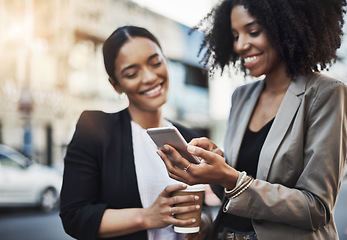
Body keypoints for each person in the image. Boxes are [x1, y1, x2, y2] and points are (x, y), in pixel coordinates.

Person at [158, 0, 347, 239]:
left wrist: (230, 177)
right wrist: (217, 167)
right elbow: (235, 193)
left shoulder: (325, 93)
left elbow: (317, 208)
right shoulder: (242, 97)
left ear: (285, 26)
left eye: (253, 32)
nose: (240, 45)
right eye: (235, 35)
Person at [59, 25, 204, 240]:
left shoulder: (190, 138)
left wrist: (202, 226)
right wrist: (147, 217)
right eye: (132, 73)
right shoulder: (95, 128)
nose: (149, 77)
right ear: (116, 85)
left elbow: (208, 212)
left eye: (156, 63)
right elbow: (74, 216)